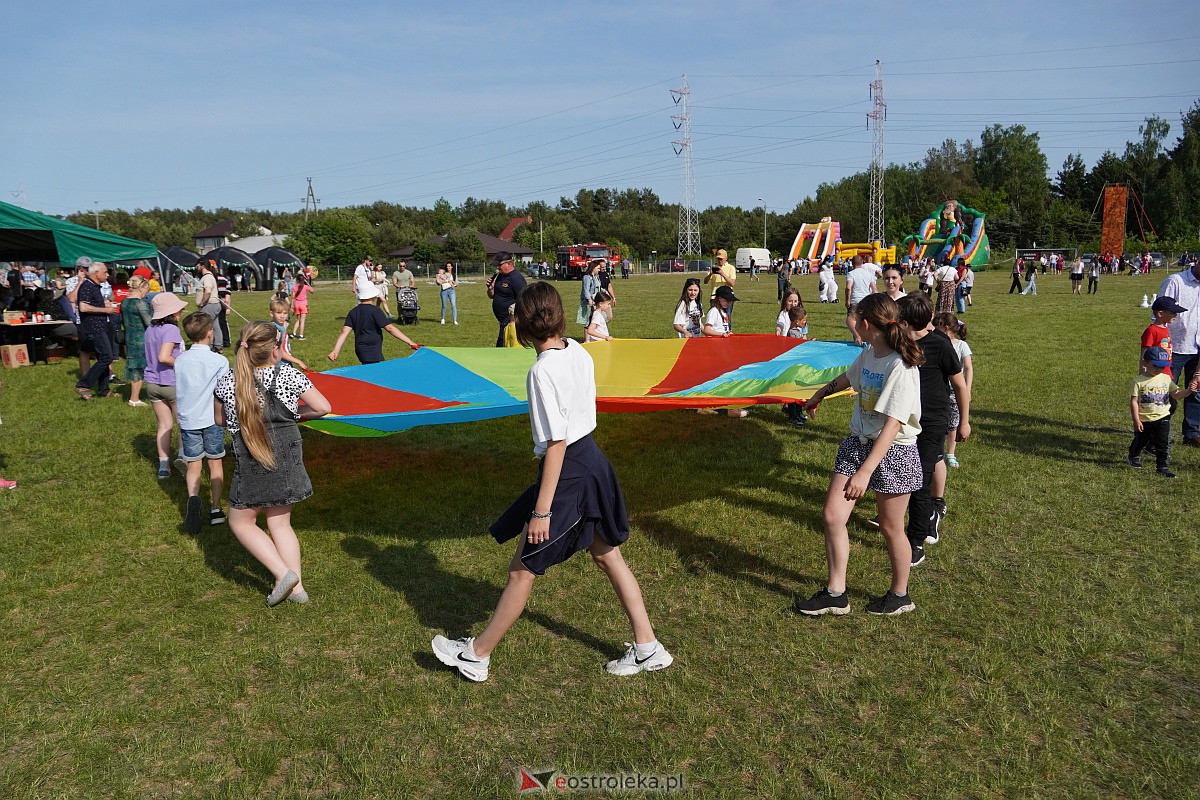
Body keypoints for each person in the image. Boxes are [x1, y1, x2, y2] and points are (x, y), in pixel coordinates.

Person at [430, 282, 673, 682]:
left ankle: (477, 655)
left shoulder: (541, 372)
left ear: (521, 327)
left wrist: (541, 511)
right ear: (559, 316)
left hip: (571, 471)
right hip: (594, 460)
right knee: (607, 555)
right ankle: (648, 647)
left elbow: (556, 443)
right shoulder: (577, 349)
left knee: (522, 569)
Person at [795, 293, 925, 617]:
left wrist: (865, 473)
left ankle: (900, 595)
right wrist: (819, 394)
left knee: (890, 526)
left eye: (854, 318)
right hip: (858, 442)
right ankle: (835, 593)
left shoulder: (901, 365)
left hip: (894, 452)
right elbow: (848, 378)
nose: (852, 323)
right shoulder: (870, 353)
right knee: (831, 516)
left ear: (865, 324)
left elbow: (893, 425)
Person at [215, 320, 331, 606]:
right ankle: (297, 587)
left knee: (240, 520)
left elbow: (219, 420)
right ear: (276, 350)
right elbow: (323, 407)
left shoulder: (227, 380)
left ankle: (284, 575)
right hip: (287, 454)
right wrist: (299, 415)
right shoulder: (290, 375)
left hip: (252, 455)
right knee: (280, 523)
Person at [894, 293, 970, 565]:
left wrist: (964, 421)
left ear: (905, 320)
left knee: (920, 482)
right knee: (900, 474)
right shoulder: (897, 342)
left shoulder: (939, 343)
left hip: (931, 422)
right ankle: (897, 519)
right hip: (901, 420)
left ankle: (915, 541)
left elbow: (960, 385)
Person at [174, 312, 230, 533]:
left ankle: (193, 500)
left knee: (193, 465)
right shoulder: (219, 361)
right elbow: (224, 391)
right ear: (210, 333)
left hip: (188, 420)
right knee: (215, 463)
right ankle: (215, 508)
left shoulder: (180, 360)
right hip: (212, 418)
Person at [1129, 346, 1198, 478]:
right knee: (1140, 440)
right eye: (1155, 365)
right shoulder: (1138, 381)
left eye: (1162, 366)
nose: (1158, 369)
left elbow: (1176, 394)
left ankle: (1162, 467)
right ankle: (1134, 455)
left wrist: (1189, 391)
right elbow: (1133, 401)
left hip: (1163, 417)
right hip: (1144, 419)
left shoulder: (1166, 378)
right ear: (1145, 363)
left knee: (1162, 443)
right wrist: (1136, 420)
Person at [1157, 258, 1200, 446]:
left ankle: (1192, 433)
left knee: (1196, 391)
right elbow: (1158, 314)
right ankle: (1156, 432)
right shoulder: (1176, 281)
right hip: (1174, 348)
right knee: (1165, 393)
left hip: (1197, 348)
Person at [145, 292, 188, 479]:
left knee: (164, 425)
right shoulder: (171, 330)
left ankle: (164, 466)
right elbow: (164, 356)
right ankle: (182, 457)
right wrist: (184, 361)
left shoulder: (150, 330)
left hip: (153, 384)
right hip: (172, 382)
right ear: (170, 312)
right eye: (178, 309)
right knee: (184, 424)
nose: (181, 311)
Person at [327, 284, 420, 365]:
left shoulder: (353, 312)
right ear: (373, 296)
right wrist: (410, 342)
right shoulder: (375, 311)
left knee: (377, 370)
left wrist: (336, 350)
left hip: (361, 349)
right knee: (375, 375)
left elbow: (344, 332)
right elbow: (390, 328)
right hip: (372, 349)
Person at [73, 261, 121, 400]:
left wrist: (104, 304)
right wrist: (105, 309)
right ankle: (83, 384)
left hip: (100, 325)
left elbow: (91, 305)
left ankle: (103, 390)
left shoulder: (95, 287)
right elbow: (83, 307)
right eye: (105, 272)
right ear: (96, 273)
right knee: (107, 357)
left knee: (103, 357)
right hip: (94, 327)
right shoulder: (87, 286)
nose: (107, 274)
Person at [934, 313, 973, 471]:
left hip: (955, 390)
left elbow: (969, 368)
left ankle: (951, 453)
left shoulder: (961, 345)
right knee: (941, 421)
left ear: (946, 327)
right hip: (940, 389)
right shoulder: (938, 344)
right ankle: (939, 451)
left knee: (953, 423)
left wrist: (967, 389)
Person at [120, 276, 153, 407]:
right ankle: (134, 399)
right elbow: (149, 322)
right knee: (138, 368)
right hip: (140, 338)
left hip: (129, 336)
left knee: (134, 365)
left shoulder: (124, 302)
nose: (147, 293)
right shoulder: (140, 304)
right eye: (146, 290)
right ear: (141, 287)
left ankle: (135, 397)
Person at [486, 252, 527, 348]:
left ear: (508, 263)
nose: (497, 268)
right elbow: (491, 296)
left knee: (502, 348)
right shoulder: (499, 276)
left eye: (499, 265)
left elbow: (524, 299)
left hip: (511, 321)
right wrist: (490, 288)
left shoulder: (516, 278)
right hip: (503, 322)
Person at [269, 297, 309, 371]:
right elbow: (278, 351)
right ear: (271, 313)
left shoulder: (281, 327)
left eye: (285, 313)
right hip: (280, 366)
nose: (282, 316)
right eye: (278, 313)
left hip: (285, 363)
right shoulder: (275, 329)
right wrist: (298, 361)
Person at [194, 260, 224, 350]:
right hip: (214, 305)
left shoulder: (207, 277)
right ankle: (218, 346)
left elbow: (208, 291)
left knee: (206, 327)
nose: (197, 267)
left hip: (209, 305)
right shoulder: (209, 276)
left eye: (198, 265)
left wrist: (202, 303)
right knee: (215, 326)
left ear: (202, 266)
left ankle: (209, 346)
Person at [704, 249, 737, 320]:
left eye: (721, 259)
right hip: (715, 297)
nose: (719, 260)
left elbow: (732, 283)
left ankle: (727, 330)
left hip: (727, 297)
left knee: (726, 317)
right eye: (718, 258)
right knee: (714, 317)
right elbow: (705, 281)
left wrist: (722, 274)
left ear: (726, 258)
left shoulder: (731, 268)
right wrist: (711, 274)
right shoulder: (714, 268)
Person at [578, 261, 601, 326]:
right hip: (589, 301)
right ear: (593, 268)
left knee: (595, 320)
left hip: (595, 300)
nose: (599, 270)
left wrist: (605, 292)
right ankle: (587, 336)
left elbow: (598, 287)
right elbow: (586, 290)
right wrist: (589, 299)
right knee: (588, 322)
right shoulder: (587, 277)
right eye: (598, 268)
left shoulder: (596, 277)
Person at [291, 273, 312, 340]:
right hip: (303, 304)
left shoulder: (295, 287)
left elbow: (293, 297)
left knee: (298, 320)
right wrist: (307, 283)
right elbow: (312, 291)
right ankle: (301, 335)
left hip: (297, 304)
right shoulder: (305, 287)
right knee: (302, 321)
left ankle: (293, 333)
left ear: (297, 280)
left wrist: (292, 306)